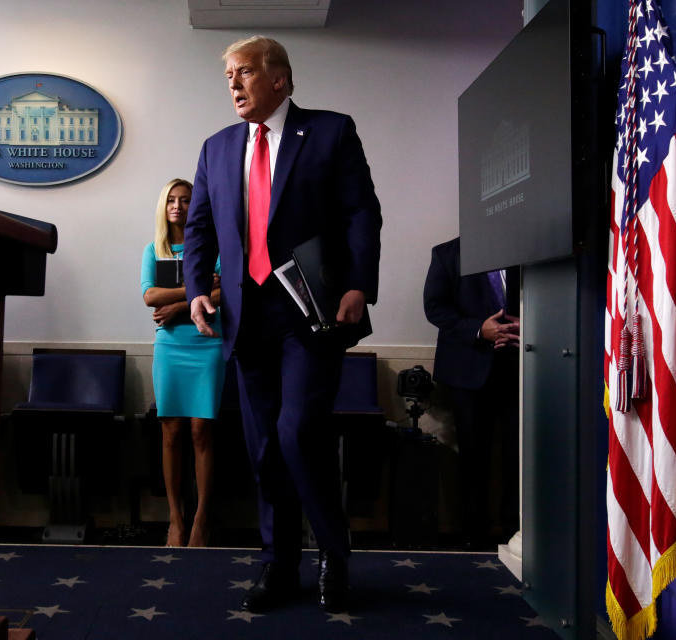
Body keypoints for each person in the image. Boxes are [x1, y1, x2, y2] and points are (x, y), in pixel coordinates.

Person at [183, 36, 381, 613]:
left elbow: (360, 211)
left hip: (311, 311)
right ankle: (278, 562)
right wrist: (197, 290)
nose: (234, 85)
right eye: (228, 78)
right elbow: (199, 230)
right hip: (245, 318)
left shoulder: (331, 131)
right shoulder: (216, 148)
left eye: (243, 73)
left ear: (279, 80)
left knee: (297, 432)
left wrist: (358, 284)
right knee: (264, 446)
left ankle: (333, 553)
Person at [140, 178, 224, 548]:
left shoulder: (214, 248)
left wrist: (179, 303)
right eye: (172, 199)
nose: (178, 205)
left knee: (201, 432)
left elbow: (228, 293)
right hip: (170, 347)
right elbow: (149, 296)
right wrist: (196, 289)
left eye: (186, 200)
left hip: (208, 344)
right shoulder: (153, 249)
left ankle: (202, 520)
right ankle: (175, 519)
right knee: (171, 433)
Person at [423, 236, 520, 550]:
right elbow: (435, 307)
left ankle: (515, 534)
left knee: (517, 458)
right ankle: (472, 535)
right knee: (472, 457)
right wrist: (480, 329)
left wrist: (530, 324)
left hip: (520, 369)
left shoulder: (526, 248)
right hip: (467, 373)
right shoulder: (447, 254)